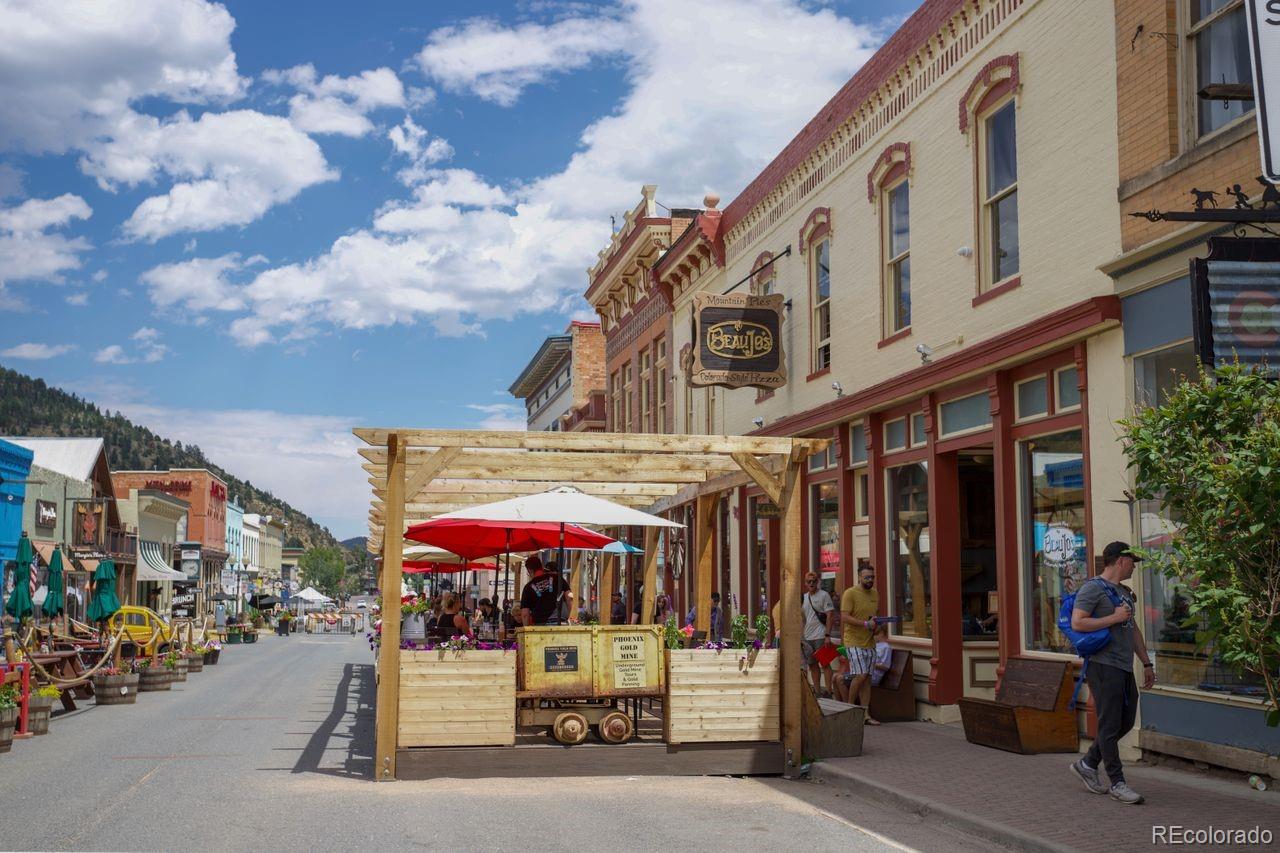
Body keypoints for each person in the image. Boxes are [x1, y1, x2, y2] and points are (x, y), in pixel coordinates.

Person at [1069, 542, 1154, 805]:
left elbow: (1133, 629)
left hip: (1124, 665)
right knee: (1108, 724)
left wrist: (1146, 663)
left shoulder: (1124, 593)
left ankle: (1088, 762)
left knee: (1125, 721)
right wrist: (1113, 618)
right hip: (1103, 665)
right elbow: (1078, 622)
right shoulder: (1092, 588)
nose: (1133, 567)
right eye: (1131, 562)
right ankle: (1118, 783)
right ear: (1119, 561)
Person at [841, 564, 881, 724]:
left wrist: (877, 625)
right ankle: (850, 709)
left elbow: (873, 616)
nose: (870, 580)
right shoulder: (850, 593)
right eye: (867, 577)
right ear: (859, 577)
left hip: (869, 641)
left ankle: (866, 714)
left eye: (872, 577)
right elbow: (844, 617)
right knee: (861, 675)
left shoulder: (875, 593)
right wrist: (865, 624)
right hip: (853, 641)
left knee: (867, 679)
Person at [802, 573, 836, 696]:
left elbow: (830, 615)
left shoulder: (824, 595)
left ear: (818, 582)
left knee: (825, 663)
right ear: (805, 583)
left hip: (821, 635)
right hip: (807, 636)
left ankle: (828, 690)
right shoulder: (804, 597)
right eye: (809, 581)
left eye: (814, 581)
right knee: (812, 664)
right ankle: (817, 691)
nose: (811, 583)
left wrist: (827, 635)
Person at [519, 554, 573, 626]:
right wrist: (567, 615)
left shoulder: (528, 588)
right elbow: (569, 597)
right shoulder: (557, 578)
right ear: (541, 567)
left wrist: (526, 629)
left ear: (530, 570)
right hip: (560, 621)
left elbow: (525, 614)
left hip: (541, 624)